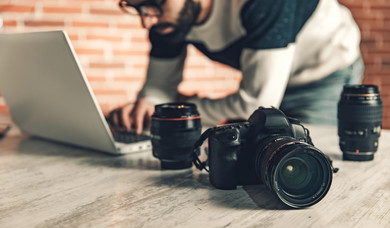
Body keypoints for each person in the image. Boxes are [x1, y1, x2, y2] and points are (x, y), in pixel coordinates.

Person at [108, 0, 363, 134]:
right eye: (136, 7)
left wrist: (180, 111)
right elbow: (158, 90)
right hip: (267, 86)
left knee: (306, 164)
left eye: (155, 2)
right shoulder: (165, 19)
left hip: (323, 76)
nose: (147, 20)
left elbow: (254, 105)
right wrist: (149, 107)